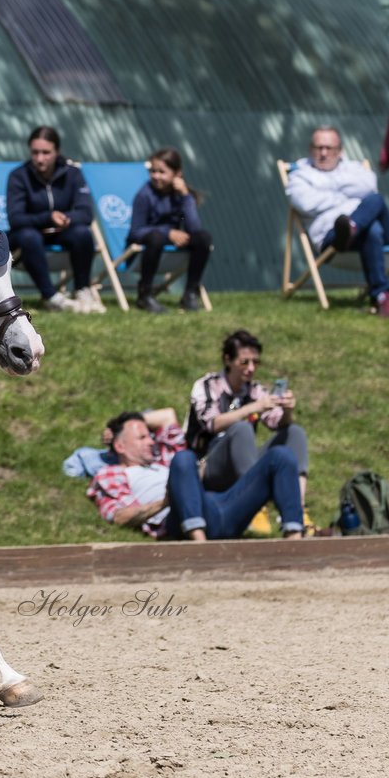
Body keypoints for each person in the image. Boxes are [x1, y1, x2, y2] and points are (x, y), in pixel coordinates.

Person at [88, 411, 304, 541]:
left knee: (280, 455)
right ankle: (198, 543)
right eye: (142, 437)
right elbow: (119, 516)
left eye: (150, 436)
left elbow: (166, 416)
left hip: (214, 504)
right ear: (120, 445)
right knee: (183, 459)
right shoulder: (111, 474)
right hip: (176, 515)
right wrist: (165, 502)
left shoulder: (162, 458)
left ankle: (294, 537)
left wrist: (134, 419)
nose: (151, 441)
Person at [184, 329, 309, 520]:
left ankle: (298, 510)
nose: (251, 368)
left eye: (255, 362)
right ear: (228, 360)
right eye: (244, 362)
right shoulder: (207, 386)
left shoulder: (256, 390)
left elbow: (277, 423)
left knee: (294, 432)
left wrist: (287, 410)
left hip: (242, 465)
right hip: (207, 466)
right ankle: (256, 507)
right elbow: (211, 424)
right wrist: (252, 408)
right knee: (242, 429)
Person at [285, 125, 389, 318]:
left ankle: (352, 226)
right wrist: (345, 196)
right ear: (310, 149)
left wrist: (326, 189)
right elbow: (305, 202)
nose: (323, 153)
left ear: (340, 151)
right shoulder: (299, 175)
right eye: (318, 147)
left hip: (355, 236)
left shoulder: (354, 168)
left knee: (376, 200)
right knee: (372, 230)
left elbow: (370, 186)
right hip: (331, 237)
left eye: (329, 148)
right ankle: (381, 296)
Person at [6, 126, 100, 313]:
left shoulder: (73, 173)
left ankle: (82, 290)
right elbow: (16, 219)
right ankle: (50, 296)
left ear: (57, 151)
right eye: (35, 152)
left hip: (60, 232)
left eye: (46, 152)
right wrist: (49, 217)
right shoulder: (18, 176)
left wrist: (66, 218)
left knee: (82, 232)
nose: (40, 158)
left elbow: (86, 213)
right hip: (25, 238)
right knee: (28, 235)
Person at [125, 147, 213, 313]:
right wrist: (168, 233)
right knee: (156, 237)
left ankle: (190, 294)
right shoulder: (144, 195)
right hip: (148, 246)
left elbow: (192, 228)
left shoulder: (180, 195)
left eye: (162, 172)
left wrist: (186, 197)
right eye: (153, 171)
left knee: (203, 238)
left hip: (171, 246)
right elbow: (135, 232)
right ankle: (144, 295)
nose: (156, 176)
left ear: (177, 174)